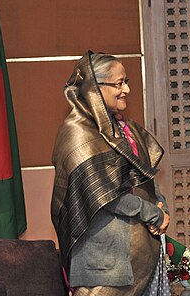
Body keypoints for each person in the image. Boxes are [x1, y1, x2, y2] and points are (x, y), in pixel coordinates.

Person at [51, 51, 171, 296]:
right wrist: (151, 213)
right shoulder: (77, 134)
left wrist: (161, 208)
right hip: (102, 263)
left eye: (126, 82)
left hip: (140, 255)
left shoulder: (126, 129)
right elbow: (104, 192)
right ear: (95, 88)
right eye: (118, 83)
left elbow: (145, 175)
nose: (126, 89)